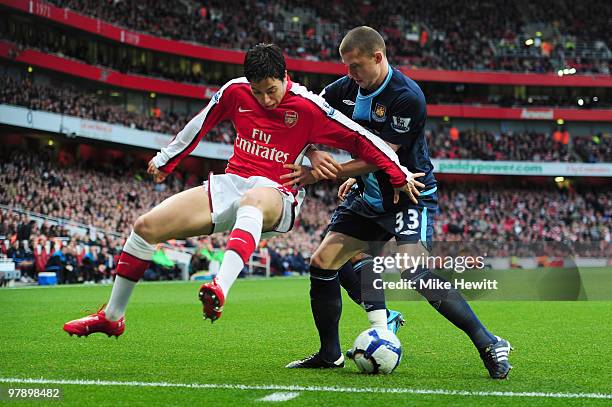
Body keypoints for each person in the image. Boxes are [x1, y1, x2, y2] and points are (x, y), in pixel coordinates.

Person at [62, 43, 423, 338]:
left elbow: (362, 139)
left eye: (272, 90)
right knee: (144, 228)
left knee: (253, 200)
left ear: (286, 77)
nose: (266, 99)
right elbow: (201, 121)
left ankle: (220, 285)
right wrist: (166, 158)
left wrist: (399, 173)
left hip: (279, 194)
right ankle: (111, 316)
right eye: (258, 92)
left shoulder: (311, 107)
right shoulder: (235, 91)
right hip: (232, 184)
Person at [283, 27, 512, 379]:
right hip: (367, 196)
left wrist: (327, 172)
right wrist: (314, 153)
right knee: (323, 263)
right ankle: (330, 354)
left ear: (378, 57)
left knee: (414, 269)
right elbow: (304, 116)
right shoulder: (343, 90)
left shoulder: (407, 96)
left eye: (356, 66)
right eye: (346, 66)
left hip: (408, 194)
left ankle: (487, 341)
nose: (350, 74)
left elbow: (382, 154)